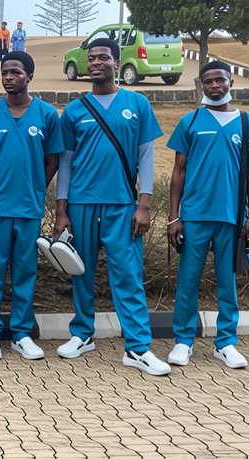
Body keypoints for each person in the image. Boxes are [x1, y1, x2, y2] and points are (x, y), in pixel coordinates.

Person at [53, 38, 170, 376]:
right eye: (92, 58)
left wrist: (144, 204)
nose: (96, 63)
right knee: (81, 273)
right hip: (81, 204)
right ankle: (82, 334)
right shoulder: (75, 110)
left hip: (122, 205)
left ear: (117, 63)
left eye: (104, 57)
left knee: (128, 276)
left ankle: (137, 347)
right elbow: (66, 164)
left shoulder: (137, 104)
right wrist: (62, 210)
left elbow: (146, 156)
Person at [165, 60, 249, 370]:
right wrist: (173, 216)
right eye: (208, 81)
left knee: (227, 282)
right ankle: (183, 341)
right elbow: (178, 172)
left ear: (230, 82)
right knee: (188, 281)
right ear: (201, 85)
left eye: (220, 80)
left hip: (232, 216)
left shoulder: (248, 123)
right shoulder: (191, 121)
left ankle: (226, 343)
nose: (214, 86)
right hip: (195, 215)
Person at [0, 52, 63, 360]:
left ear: (29, 77)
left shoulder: (47, 115)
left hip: (29, 207)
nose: (9, 77)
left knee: (25, 271)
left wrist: (37, 185)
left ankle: (22, 334)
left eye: (16, 72)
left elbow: (53, 160)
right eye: (5, 72)